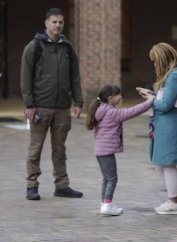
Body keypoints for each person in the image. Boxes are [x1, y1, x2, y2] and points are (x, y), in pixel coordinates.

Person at [20, 8, 83, 200]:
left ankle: (62, 186)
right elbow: (25, 78)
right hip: (40, 107)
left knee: (60, 149)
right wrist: (29, 104)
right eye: (54, 22)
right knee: (35, 148)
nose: (57, 25)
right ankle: (32, 185)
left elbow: (75, 77)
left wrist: (78, 102)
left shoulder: (68, 48)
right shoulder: (34, 47)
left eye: (60, 22)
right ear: (46, 23)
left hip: (62, 108)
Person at [138, 42, 177, 215]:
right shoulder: (173, 76)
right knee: (161, 163)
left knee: (167, 163)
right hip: (165, 123)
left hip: (170, 124)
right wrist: (152, 96)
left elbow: (166, 104)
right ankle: (173, 198)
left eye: (155, 61)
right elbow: (164, 100)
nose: (154, 65)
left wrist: (150, 99)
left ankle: (175, 200)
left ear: (162, 60)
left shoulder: (174, 76)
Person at [86, 85, 154, 216]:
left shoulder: (101, 109)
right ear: (110, 98)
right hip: (106, 151)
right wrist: (150, 102)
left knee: (106, 179)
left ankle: (105, 204)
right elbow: (132, 112)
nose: (121, 97)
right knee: (112, 179)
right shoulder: (111, 112)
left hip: (100, 151)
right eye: (118, 95)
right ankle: (107, 205)